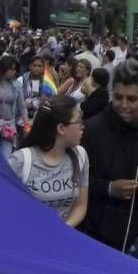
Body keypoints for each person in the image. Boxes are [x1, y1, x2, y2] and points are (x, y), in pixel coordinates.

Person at [81, 62, 138, 253]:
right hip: (92, 236)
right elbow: (75, 180)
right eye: (118, 97)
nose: (124, 105)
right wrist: (110, 188)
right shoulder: (92, 130)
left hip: (134, 241)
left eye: (132, 99)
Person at [9, 95, 89, 227]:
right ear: (61, 128)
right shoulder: (20, 161)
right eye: (79, 120)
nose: (83, 126)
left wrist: (63, 231)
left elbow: (80, 205)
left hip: (63, 241)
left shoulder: (81, 155)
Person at [0, 56, 28, 157]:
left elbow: (22, 107)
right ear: (4, 68)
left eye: (15, 69)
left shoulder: (16, 85)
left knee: (7, 157)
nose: (14, 72)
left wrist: (27, 125)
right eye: (11, 69)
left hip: (8, 126)